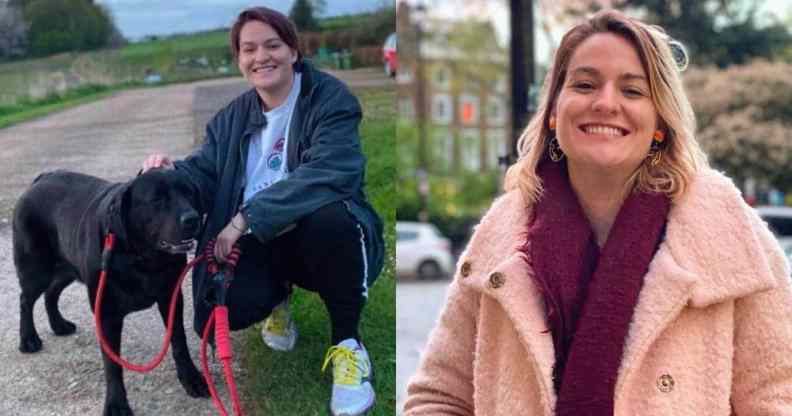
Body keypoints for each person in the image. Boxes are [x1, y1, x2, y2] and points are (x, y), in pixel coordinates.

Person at [404, 9, 792, 416]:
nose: (606, 103)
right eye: (585, 84)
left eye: (632, 91)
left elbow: (780, 399)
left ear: (660, 120)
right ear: (555, 110)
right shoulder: (501, 235)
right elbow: (438, 398)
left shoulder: (728, 231)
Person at [142, 7, 384, 416]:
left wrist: (244, 218)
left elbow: (330, 171)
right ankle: (278, 301)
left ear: (293, 50)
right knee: (212, 318)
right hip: (256, 241)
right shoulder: (230, 117)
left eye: (272, 45)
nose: (261, 57)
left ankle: (348, 346)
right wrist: (171, 171)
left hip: (314, 234)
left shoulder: (331, 99)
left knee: (331, 218)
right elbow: (204, 169)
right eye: (248, 49)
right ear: (239, 60)